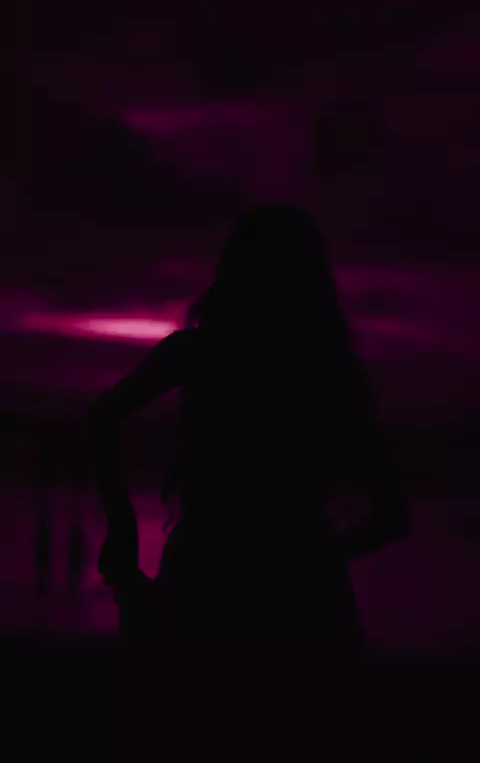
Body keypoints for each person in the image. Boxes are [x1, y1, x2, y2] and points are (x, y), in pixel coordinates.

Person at [88, 203, 409, 655]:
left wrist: (122, 530)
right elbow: (392, 516)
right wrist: (320, 558)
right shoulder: (333, 372)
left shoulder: (196, 352)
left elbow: (103, 418)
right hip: (303, 593)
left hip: (204, 572)